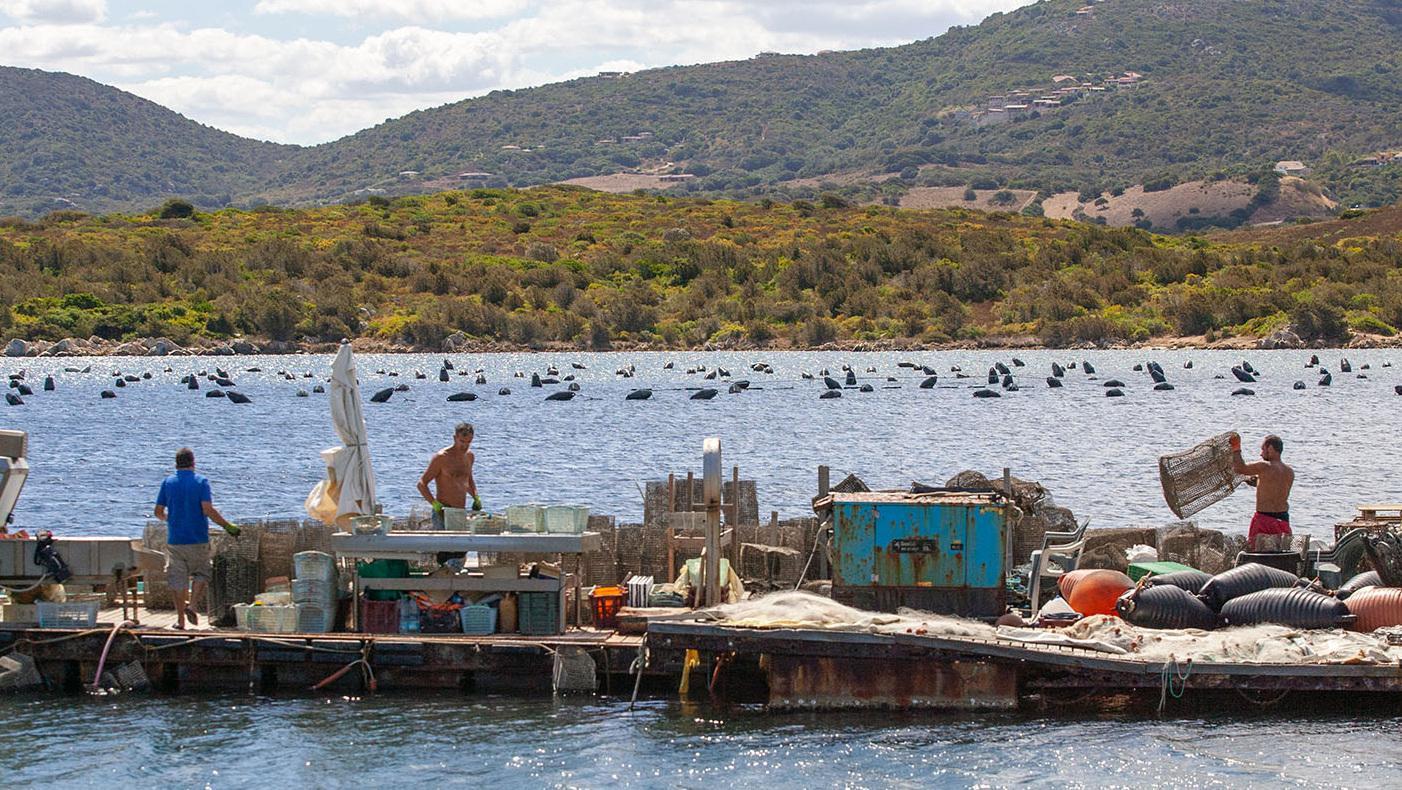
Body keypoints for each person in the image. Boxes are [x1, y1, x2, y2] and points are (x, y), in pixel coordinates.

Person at [153, 448, 241, 629]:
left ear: (176, 463)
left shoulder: (167, 482)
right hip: (198, 538)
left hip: (175, 539)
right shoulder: (201, 482)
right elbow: (207, 509)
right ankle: (192, 605)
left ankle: (180, 621)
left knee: (178, 579)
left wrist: (171, 519)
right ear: (193, 463)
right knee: (202, 572)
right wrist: (227, 526)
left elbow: (158, 512)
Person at [1230, 433, 1294, 552]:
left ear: (1270, 448)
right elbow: (1275, 488)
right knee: (1281, 554)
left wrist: (1236, 448)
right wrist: (1256, 482)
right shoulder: (1289, 471)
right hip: (1283, 520)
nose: (1261, 453)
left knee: (1256, 554)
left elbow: (1240, 468)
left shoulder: (1264, 466)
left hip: (1264, 519)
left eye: (1263, 449)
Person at [417, 422, 481, 530]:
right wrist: (435, 504)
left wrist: (476, 497)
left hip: (460, 511)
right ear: (455, 438)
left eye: (469, 442)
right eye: (462, 442)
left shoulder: (469, 456)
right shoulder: (441, 457)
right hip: (443, 512)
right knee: (444, 546)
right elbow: (421, 484)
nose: (465, 445)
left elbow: (468, 480)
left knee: (461, 546)